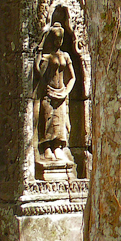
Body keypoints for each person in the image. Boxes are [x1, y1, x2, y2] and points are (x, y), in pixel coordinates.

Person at [34, 22, 75, 161]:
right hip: (49, 93)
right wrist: (38, 52)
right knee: (47, 118)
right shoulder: (47, 56)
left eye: (61, 39)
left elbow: (73, 77)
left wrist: (66, 91)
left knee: (60, 120)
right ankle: (46, 147)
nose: (58, 42)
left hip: (61, 93)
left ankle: (57, 146)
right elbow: (39, 73)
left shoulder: (66, 56)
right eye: (56, 39)